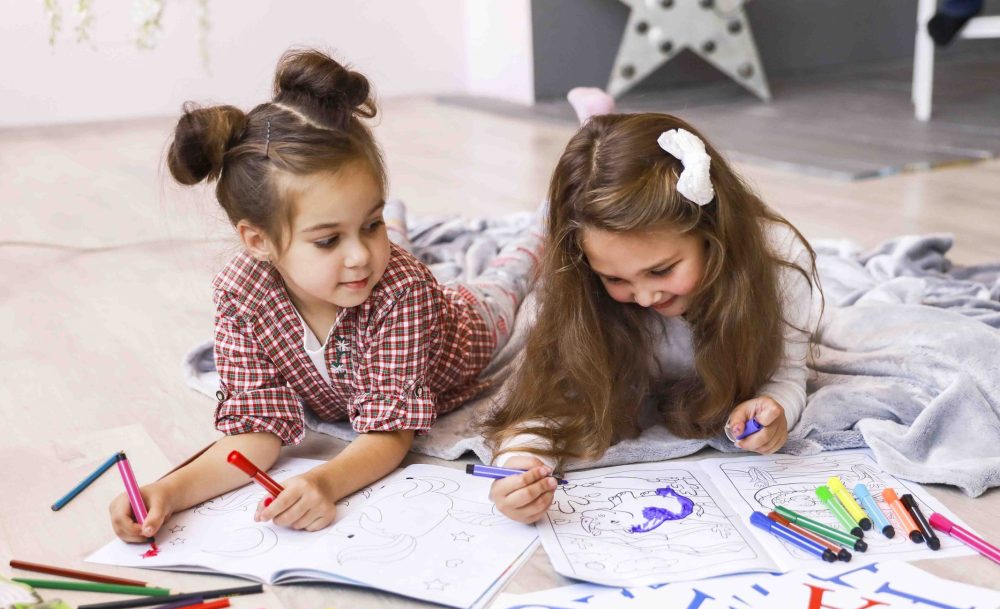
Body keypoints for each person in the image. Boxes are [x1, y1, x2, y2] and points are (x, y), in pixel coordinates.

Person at [109, 48, 536, 542]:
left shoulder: (403, 289)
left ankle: (545, 222)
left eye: (371, 223)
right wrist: (168, 491)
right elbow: (256, 432)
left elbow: (389, 432)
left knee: (511, 273)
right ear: (258, 241)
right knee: (389, 255)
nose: (358, 256)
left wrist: (324, 481)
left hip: (470, 322)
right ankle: (395, 222)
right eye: (329, 239)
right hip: (389, 300)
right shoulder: (241, 294)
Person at [483, 89, 821, 524]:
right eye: (615, 279)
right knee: (528, 248)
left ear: (713, 234)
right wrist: (518, 466)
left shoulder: (781, 265)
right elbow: (550, 397)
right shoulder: (579, 287)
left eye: (661, 270)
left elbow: (787, 374)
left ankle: (595, 123)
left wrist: (775, 407)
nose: (645, 298)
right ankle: (592, 126)